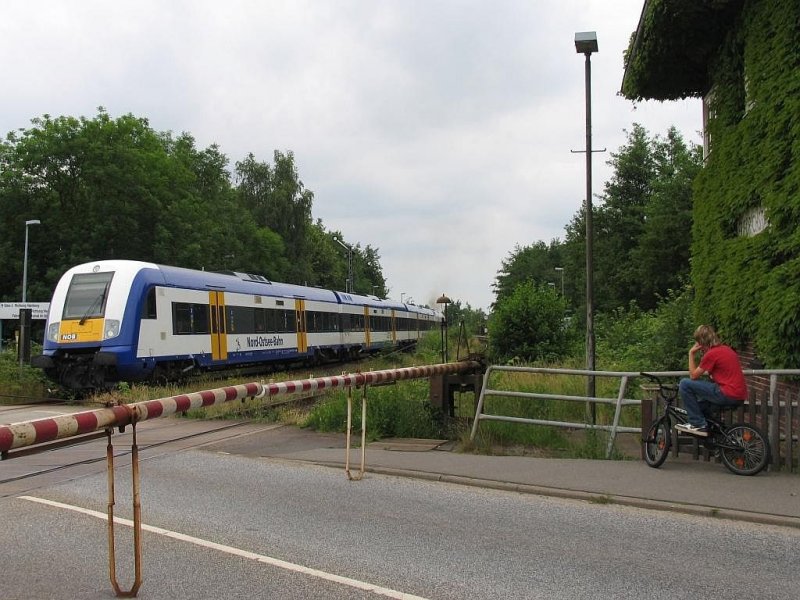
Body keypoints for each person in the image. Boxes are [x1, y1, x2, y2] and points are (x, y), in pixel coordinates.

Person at [676, 325, 748, 437]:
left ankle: (698, 424)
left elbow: (693, 376)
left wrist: (691, 354)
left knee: (684, 384)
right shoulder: (726, 349)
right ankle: (713, 434)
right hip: (739, 395)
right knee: (699, 407)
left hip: (727, 393)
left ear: (701, 342)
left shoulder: (711, 354)